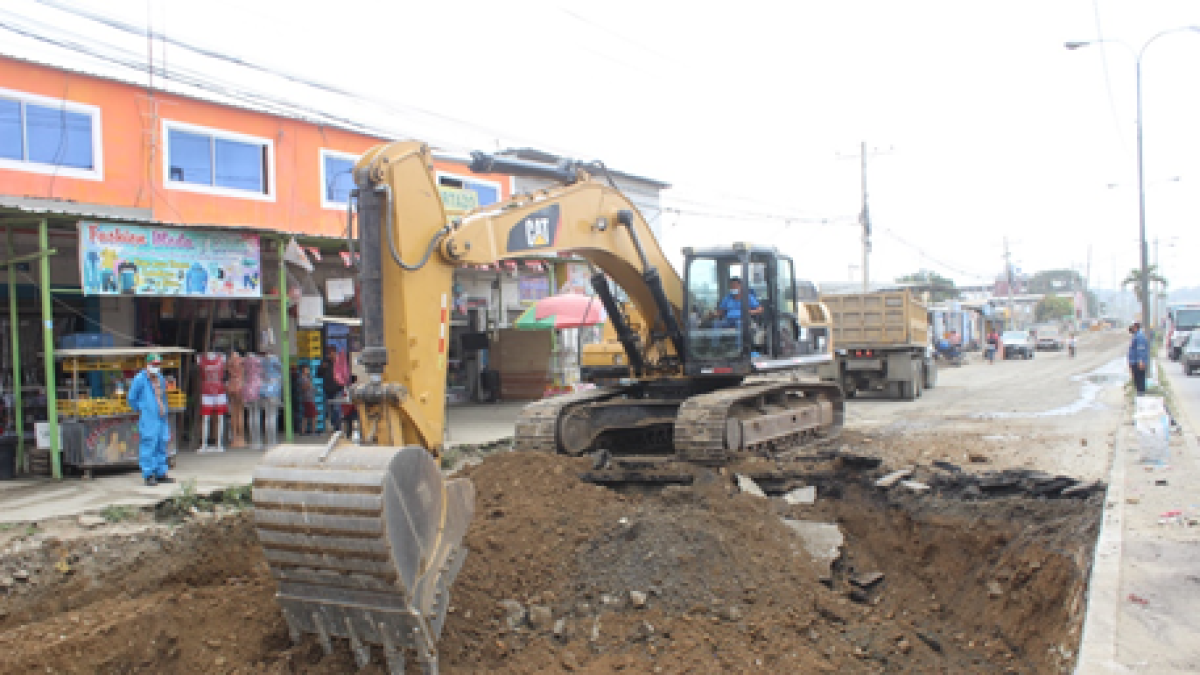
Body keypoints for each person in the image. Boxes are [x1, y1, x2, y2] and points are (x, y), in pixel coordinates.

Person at [127, 353, 175, 487]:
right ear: (147, 365)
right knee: (149, 444)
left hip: (161, 416)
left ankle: (161, 473)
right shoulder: (139, 379)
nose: (157, 367)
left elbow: (163, 396)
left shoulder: (160, 377)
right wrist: (141, 409)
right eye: (154, 365)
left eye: (158, 365)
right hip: (148, 417)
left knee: (161, 443)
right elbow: (131, 398)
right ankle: (149, 474)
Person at [321, 355, 342, 434]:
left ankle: (338, 427)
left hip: (337, 390)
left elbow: (343, 375)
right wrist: (322, 367)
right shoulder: (326, 363)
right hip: (328, 391)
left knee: (336, 408)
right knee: (330, 409)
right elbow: (318, 374)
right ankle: (335, 425)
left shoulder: (339, 364)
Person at [1128, 322, 1149, 394]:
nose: (1131, 329)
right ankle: (1139, 394)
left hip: (1138, 363)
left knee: (1140, 379)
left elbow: (1141, 349)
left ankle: (1141, 395)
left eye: (1132, 327)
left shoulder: (1140, 336)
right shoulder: (1136, 335)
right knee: (1137, 380)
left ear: (1135, 327)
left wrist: (1141, 361)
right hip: (1135, 362)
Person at [299, 364, 317, 435]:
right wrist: (308, 384)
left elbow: (310, 387)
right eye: (307, 369)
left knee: (306, 416)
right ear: (303, 370)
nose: (308, 371)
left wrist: (314, 389)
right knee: (314, 416)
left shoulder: (307, 378)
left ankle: (303, 431)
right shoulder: (302, 378)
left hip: (310, 398)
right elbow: (303, 388)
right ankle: (313, 431)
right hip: (307, 399)